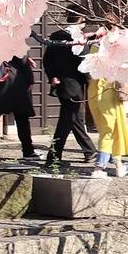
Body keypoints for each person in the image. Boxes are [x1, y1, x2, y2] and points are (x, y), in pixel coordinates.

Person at [41, 22, 96, 169]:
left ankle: (89, 151)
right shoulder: (77, 38)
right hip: (73, 83)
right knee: (66, 120)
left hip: (61, 83)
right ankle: (53, 157)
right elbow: (83, 60)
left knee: (74, 117)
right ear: (81, 20)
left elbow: (47, 60)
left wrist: (52, 76)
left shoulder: (55, 36)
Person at [88, 67, 128, 177]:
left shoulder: (94, 51)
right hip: (109, 93)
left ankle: (119, 165)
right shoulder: (116, 53)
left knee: (114, 131)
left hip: (96, 92)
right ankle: (99, 168)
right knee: (108, 132)